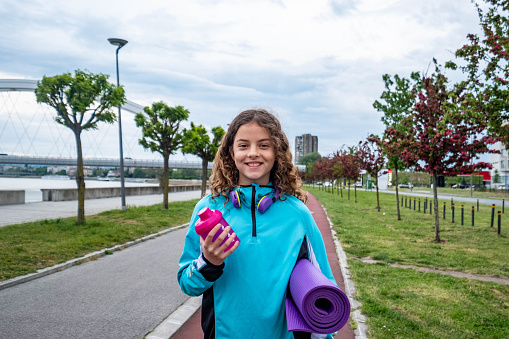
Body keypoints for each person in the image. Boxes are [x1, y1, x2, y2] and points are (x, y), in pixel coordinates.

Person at [177, 109, 338, 339]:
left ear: (276, 153)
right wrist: (208, 262)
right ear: (231, 152)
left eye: (263, 145)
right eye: (243, 146)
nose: (253, 153)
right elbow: (187, 282)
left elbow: (325, 291)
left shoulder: (298, 215)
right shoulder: (208, 209)